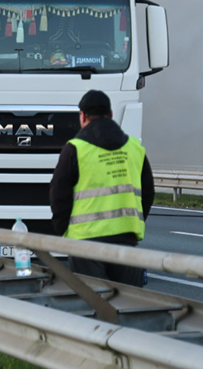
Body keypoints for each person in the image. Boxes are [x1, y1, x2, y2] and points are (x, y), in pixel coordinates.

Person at [49, 89, 154, 287]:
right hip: (126, 238)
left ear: (82, 116)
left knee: (94, 302)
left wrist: (66, 232)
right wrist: (132, 222)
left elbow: (58, 195)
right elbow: (147, 194)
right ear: (111, 114)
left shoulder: (75, 149)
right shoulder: (134, 148)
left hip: (85, 241)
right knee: (127, 301)